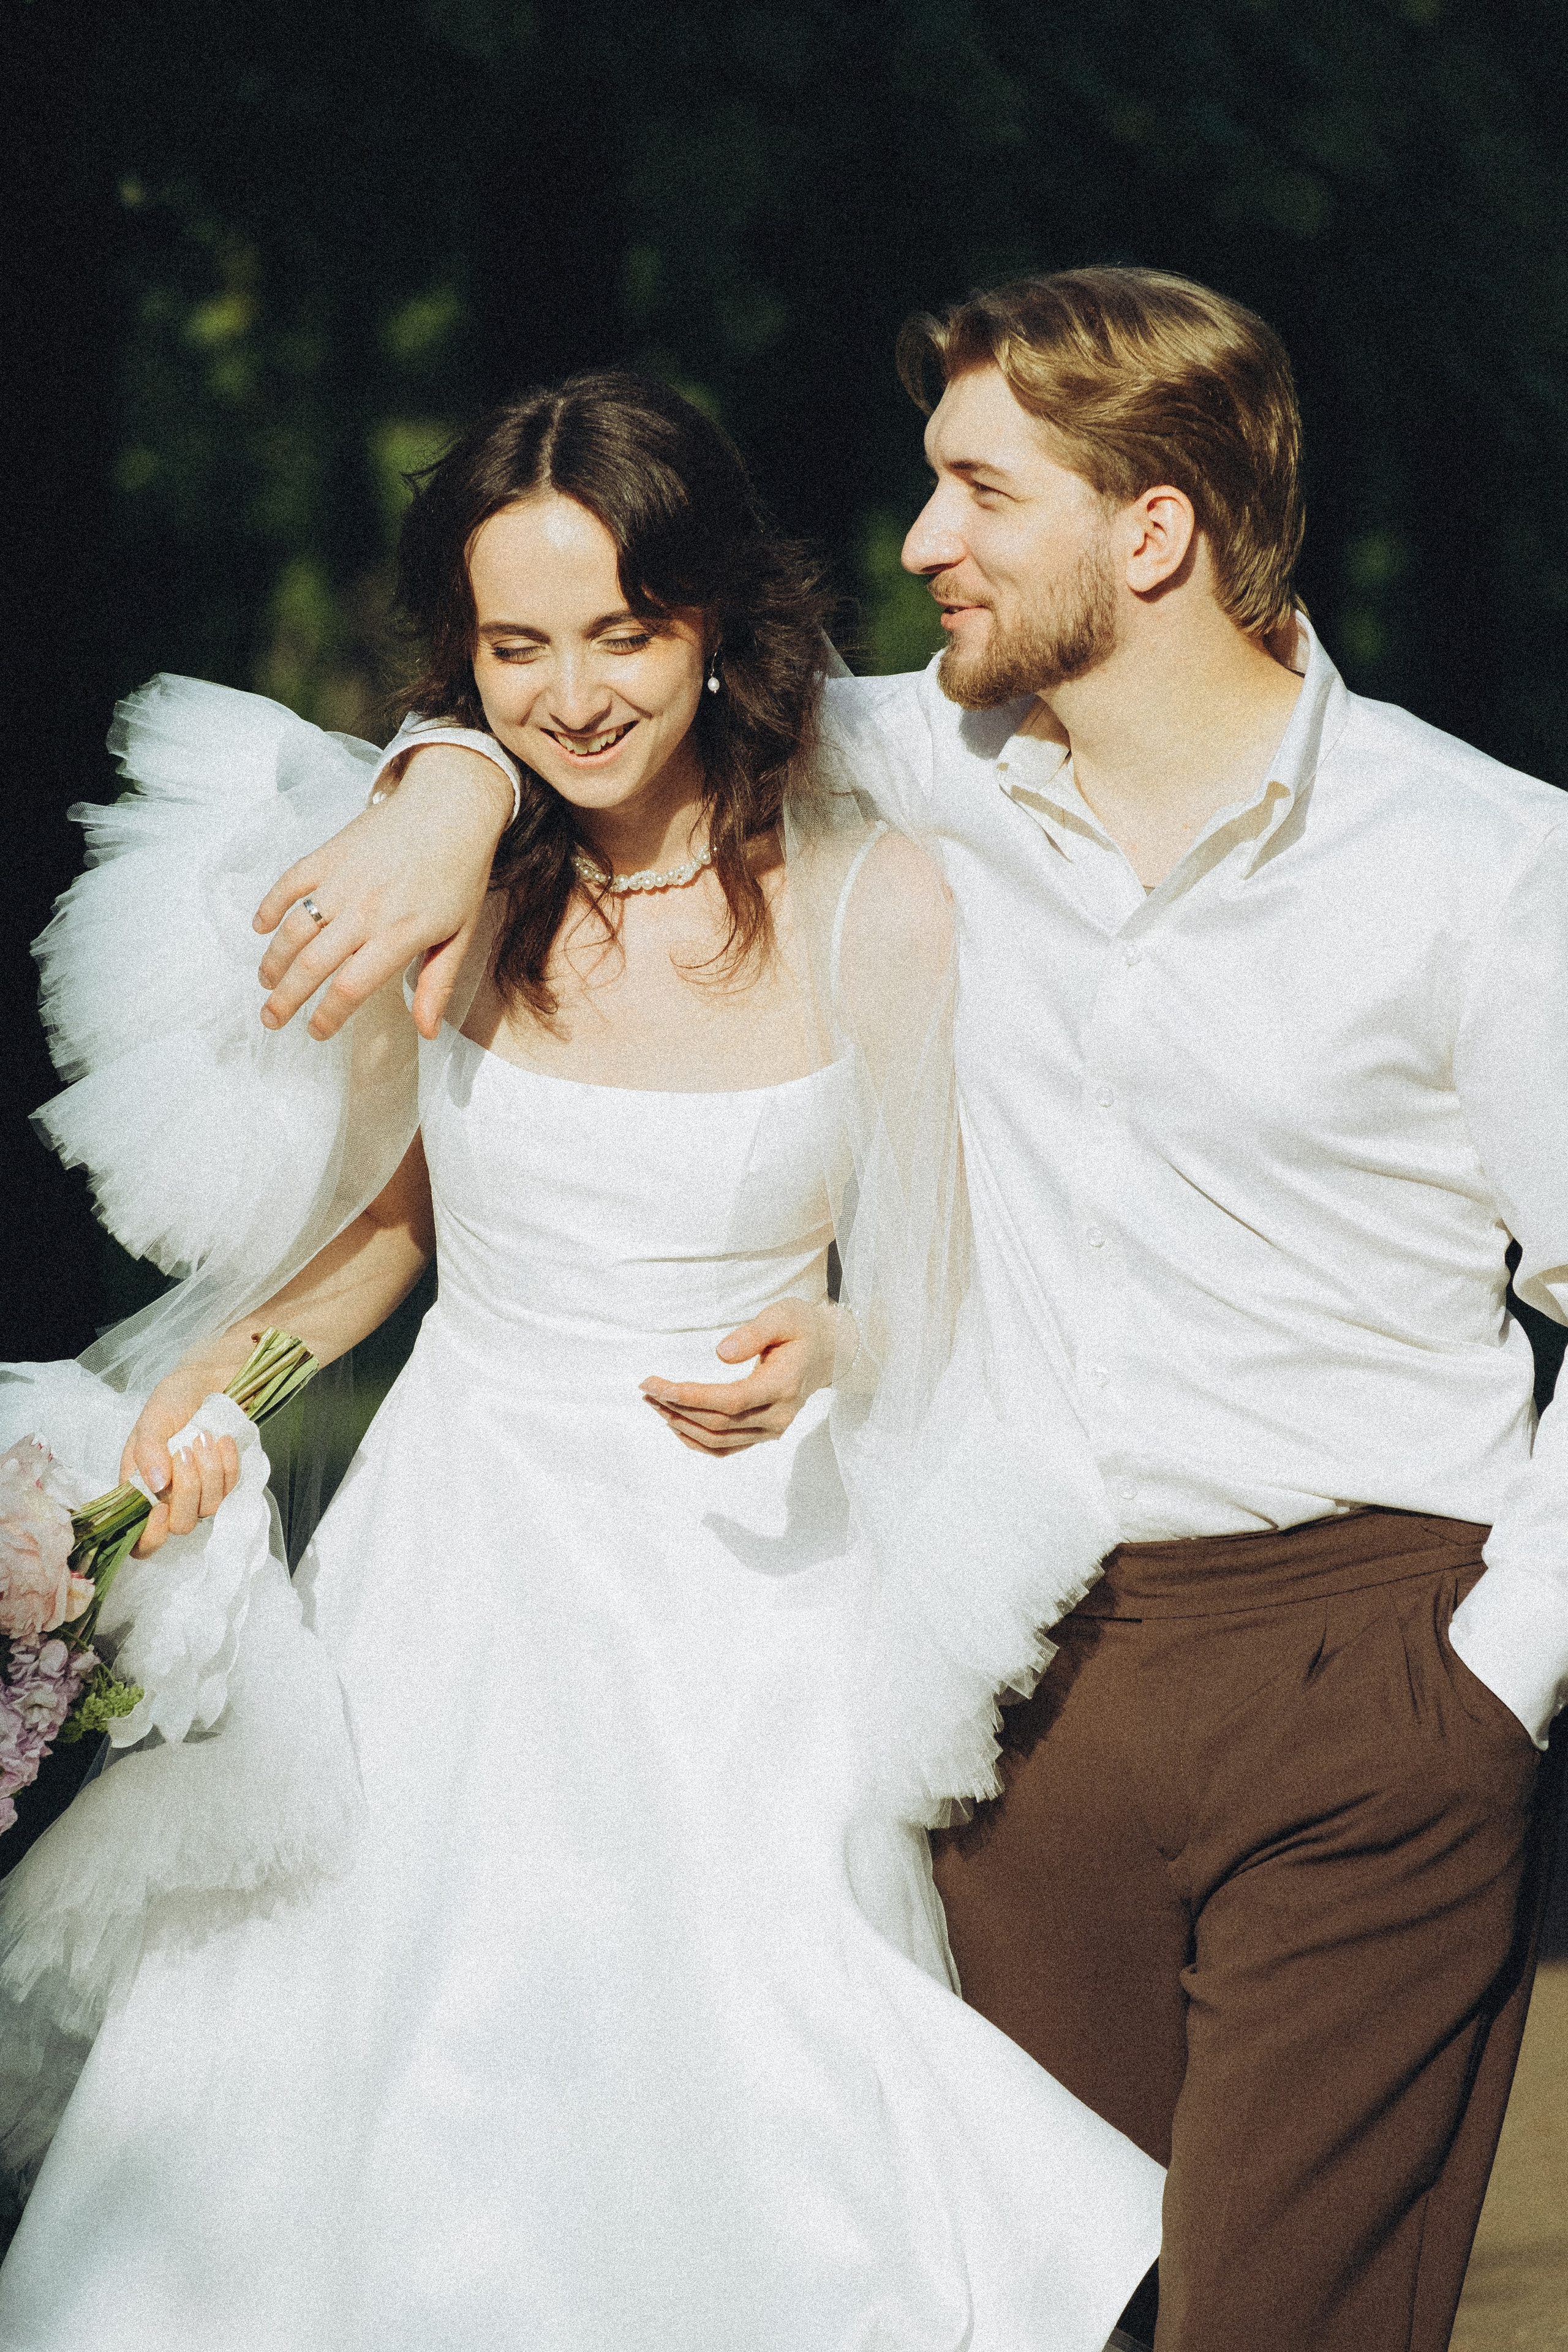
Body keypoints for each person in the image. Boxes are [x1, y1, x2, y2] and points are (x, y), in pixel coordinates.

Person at [260, 273, 1568, 2352]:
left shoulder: (1486, 867)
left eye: (976, 491)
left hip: (1366, 1655)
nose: (920, 543)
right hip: (1022, 1673)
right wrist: (444, 778)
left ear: (1150, 534)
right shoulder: (924, 757)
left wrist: (1492, 1686)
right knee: (1016, 2292)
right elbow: (611, 686)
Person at [0, 372, 1163, 2351]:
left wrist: (841, 1340)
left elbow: (962, 1289)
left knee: (750, 2071)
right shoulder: (455, 898)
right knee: (376, 2079)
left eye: (625, 631)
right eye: (517, 647)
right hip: (455, 1566)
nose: (575, 693)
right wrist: (190, 1431)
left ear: (720, 620)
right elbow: (378, 1247)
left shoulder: (878, 896)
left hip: (747, 1589)